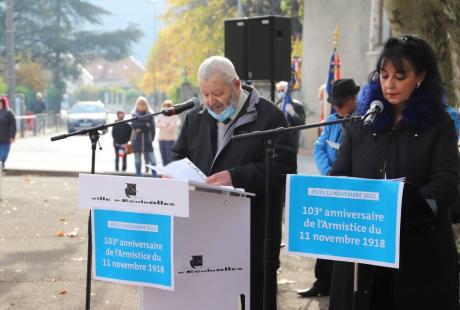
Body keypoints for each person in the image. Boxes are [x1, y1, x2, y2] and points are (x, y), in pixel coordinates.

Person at [328, 35, 459, 310]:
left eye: (400, 76)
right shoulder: (363, 119)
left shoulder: (439, 124)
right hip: (361, 251)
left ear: (420, 77)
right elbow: (339, 173)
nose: (389, 84)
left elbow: (447, 182)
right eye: (384, 75)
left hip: (418, 252)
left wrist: (401, 208)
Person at [172, 56, 297, 309]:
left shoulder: (269, 117)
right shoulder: (196, 117)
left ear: (237, 84)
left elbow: (284, 167)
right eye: (204, 94)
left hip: (254, 232)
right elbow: (178, 154)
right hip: (205, 230)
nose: (210, 102)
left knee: (258, 298)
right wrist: (173, 173)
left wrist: (236, 177)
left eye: (217, 93)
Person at [297, 79, 359, 298]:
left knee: (346, 239)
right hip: (331, 182)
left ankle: (343, 285)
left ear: (354, 100)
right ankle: (322, 281)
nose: (337, 108)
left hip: (352, 187)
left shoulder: (363, 121)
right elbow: (319, 147)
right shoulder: (332, 121)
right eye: (335, 104)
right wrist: (328, 172)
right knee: (325, 235)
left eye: (341, 104)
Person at [275, 81, 306, 153]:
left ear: (288, 91)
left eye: (282, 90)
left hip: (292, 140)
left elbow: (302, 123)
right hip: (279, 141)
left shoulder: (297, 105)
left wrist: (293, 113)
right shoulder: (276, 106)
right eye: (278, 91)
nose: (280, 93)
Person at [130, 96, 157, 177]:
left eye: (143, 104)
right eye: (140, 104)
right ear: (137, 105)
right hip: (136, 140)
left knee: (153, 161)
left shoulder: (150, 115)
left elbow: (152, 128)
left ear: (146, 105)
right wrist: (145, 125)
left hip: (147, 141)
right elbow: (134, 126)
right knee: (137, 160)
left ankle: (154, 176)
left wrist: (141, 128)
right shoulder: (134, 114)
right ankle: (138, 176)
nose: (141, 106)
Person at [156, 100, 178, 165]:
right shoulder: (161, 115)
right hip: (161, 140)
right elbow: (157, 124)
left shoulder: (174, 116)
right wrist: (165, 125)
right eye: (165, 106)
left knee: (170, 159)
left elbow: (171, 128)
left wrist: (161, 125)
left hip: (170, 140)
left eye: (168, 106)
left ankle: (171, 174)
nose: (166, 108)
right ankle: (165, 174)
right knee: (163, 159)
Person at [0, 97, 16, 168]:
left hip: (6, 138)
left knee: (3, 155)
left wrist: (12, 136)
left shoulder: (8, 113)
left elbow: (13, 125)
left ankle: (2, 164)